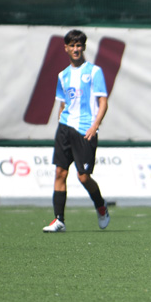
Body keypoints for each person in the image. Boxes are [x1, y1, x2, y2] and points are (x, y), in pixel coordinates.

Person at [42, 29, 111, 233]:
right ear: (66, 48)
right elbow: (62, 104)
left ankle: (100, 205)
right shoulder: (62, 75)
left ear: (84, 47)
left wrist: (95, 125)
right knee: (60, 172)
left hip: (85, 130)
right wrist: (60, 122)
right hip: (65, 128)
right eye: (72, 45)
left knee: (83, 176)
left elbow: (103, 102)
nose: (75, 49)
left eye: (79, 45)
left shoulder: (94, 72)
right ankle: (59, 220)